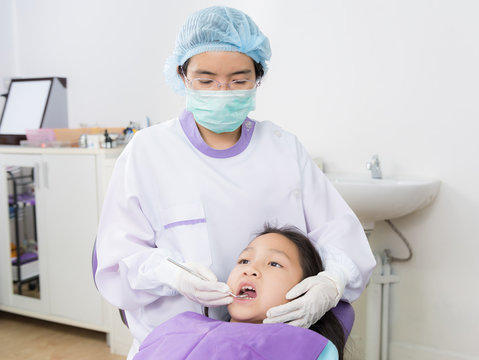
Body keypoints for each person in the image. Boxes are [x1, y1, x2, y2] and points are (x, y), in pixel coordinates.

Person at [94, 6, 376, 359]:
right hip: (172, 347)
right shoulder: (148, 152)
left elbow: (342, 236)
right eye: (206, 80)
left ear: (259, 77)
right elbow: (115, 261)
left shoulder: (282, 149)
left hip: (269, 346)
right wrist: (169, 273)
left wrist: (331, 283)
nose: (223, 91)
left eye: (239, 80)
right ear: (182, 75)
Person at [133, 225, 346, 360]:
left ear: (305, 290)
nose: (249, 269)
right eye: (244, 260)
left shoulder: (310, 348)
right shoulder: (180, 326)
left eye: (274, 263)